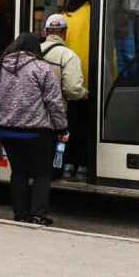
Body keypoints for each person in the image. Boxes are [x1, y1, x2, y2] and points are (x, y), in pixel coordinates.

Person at [0, 33, 68, 225]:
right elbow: (54, 102)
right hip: (36, 130)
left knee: (18, 172)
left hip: (6, 129)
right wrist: (62, 128)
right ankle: (38, 215)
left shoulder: (1, 66)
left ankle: (20, 215)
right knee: (42, 173)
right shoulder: (42, 68)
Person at [39, 13, 88, 179]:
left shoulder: (33, 52)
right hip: (55, 115)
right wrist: (85, 94)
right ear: (65, 32)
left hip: (32, 114)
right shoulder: (69, 56)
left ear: (46, 32)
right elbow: (72, 89)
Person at [61, 0, 92, 177]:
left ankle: (67, 165)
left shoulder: (64, 17)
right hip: (90, 81)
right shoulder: (94, 12)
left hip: (66, 82)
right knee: (86, 126)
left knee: (68, 126)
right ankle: (83, 167)